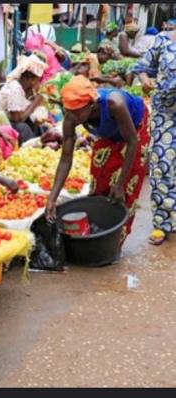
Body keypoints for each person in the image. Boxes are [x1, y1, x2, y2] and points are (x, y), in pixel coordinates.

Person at [45, 76, 150, 251]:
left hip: (135, 129)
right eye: (69, 111)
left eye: (77, 112)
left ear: (92, 104)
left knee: (125, 192)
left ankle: (113, 246)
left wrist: (120, 183)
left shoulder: (114, 104)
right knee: (99, 179)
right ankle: (97, 235)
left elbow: (132, 143)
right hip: (109, 133)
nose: (73, 117)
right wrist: (52, 198)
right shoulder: (72, 116)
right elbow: (65, 158)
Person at [133, 27, 176, 245]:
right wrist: (145, 80)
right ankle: (162, 224)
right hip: (165, 116)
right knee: (162, 165)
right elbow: (142, 68)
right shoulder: (162, 41)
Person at [0, 54, 48, 144]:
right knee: (23, 128)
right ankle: (31, 149)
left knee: (39, 127)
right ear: (31, 80)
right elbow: (18, 119)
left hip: (6, 120)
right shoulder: (15, 88)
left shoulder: (25, 90)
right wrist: (35, 102)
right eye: (39, 80)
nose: (39, 84)